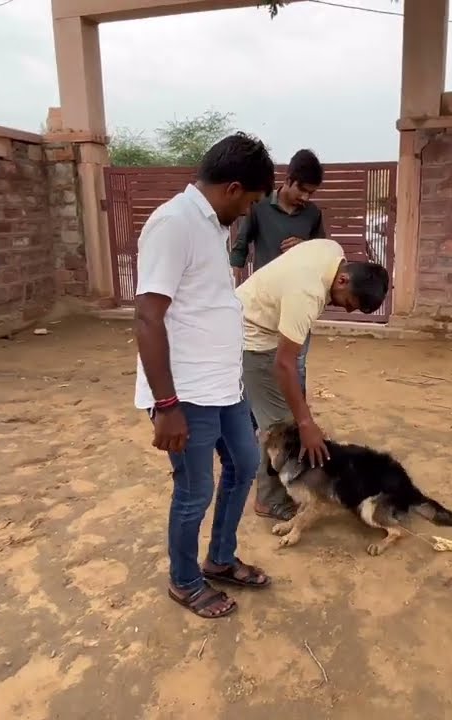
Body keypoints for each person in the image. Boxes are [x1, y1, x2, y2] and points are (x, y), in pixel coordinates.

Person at [133, 132, 276, 619]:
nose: (247, 213)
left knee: (245, 462)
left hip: (224, 385)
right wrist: (167, 406)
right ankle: (184, 580)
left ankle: (218, 558)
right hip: (186, 392)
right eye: (251, 202)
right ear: (234, 188)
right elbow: (148, 317)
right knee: (195, 490)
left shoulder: (211, 224)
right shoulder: (174, 223)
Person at [236, 238, 390, 521]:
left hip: (263, 321)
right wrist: (306, 424)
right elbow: (284, 364)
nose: (345, 310)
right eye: (349, 303)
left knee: (283, 412)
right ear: (343, 280)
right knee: (279, 427)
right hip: (251, 339)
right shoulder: (306, 294)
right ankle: (269, 500)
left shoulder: (332, 251)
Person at [229, 149, 327, 398]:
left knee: (298, 366)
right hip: (264, 306)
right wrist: (231, 292)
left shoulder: (313, 215)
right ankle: (258, 421)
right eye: (302, 190)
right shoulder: (259, 208)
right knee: (260, 362)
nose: (305, 197)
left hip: (298, 303)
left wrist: (304, 245)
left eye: (311, 193)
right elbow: (240, 249)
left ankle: (295, 421)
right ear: (288, 179)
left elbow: (323, 254)